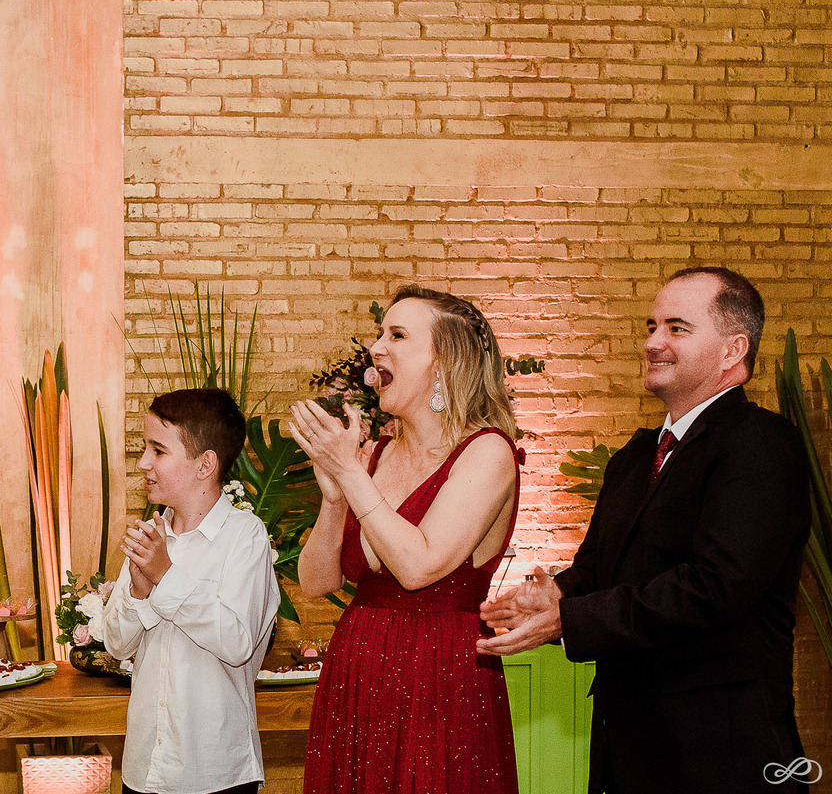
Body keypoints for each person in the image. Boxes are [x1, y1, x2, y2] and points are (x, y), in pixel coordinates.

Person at [478, 267, 812, 794]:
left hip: (720, 749)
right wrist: (553, 594)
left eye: (677, 328)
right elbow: (599, 570)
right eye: (651, 325)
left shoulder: (761, 445)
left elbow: (714, 586)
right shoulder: (634, 458)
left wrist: (569, 619)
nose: (652, 342)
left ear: (733, 350)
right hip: (627, 744)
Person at [293, 285, 522, 794]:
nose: (377, 348)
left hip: (440, 675)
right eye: (380, 334)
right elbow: (315, 582)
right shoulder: (373, 454)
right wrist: (334, 497)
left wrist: (348, 474)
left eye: (397, 335)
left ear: (444, 363)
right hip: (357, 670)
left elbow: (419, 566)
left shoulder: (487, 454)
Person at [102, 387, 280, 794]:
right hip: (144, 768)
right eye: (144, 448)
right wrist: (141, 593)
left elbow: (237, 642)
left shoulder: (245, 536)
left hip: (215, 772)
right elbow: (114, 643)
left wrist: (166, 577)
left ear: (205, 465)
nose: (143, 462)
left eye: (158, 450)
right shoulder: (152, 534)